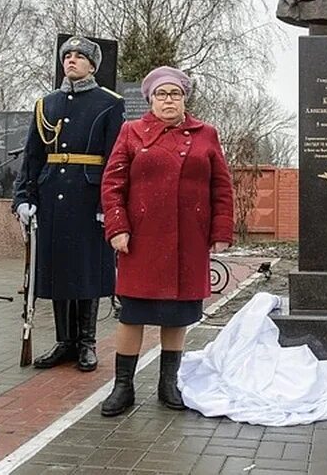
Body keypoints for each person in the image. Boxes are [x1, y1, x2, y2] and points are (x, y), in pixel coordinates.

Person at [99, 66, 234, 416]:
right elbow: (112, 185)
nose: (168, 100)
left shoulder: (206, 134)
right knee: (132, 315)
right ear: (150, 99)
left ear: (185, 98)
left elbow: (221, 186)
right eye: (161, 94)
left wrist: (220, 230)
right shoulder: (131, 132)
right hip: (141, 240)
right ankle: (123, 387)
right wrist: (117, 227)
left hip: (189, 239)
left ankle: (168, 384)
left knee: (176, 315)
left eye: (175, 94)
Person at [12, 36, 124, 372]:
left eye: (79, 56)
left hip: (89, 198)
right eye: (67, 56)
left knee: (86, 269)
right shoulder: (46, 104)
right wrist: (24, 197)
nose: (71, 60)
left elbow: (115, 159)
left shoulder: (109, 103)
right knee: (60, 269)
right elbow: (33, 156)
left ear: (93, 64)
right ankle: (65, 342)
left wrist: (110, 203)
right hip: (52, 197)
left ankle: (87, 342)